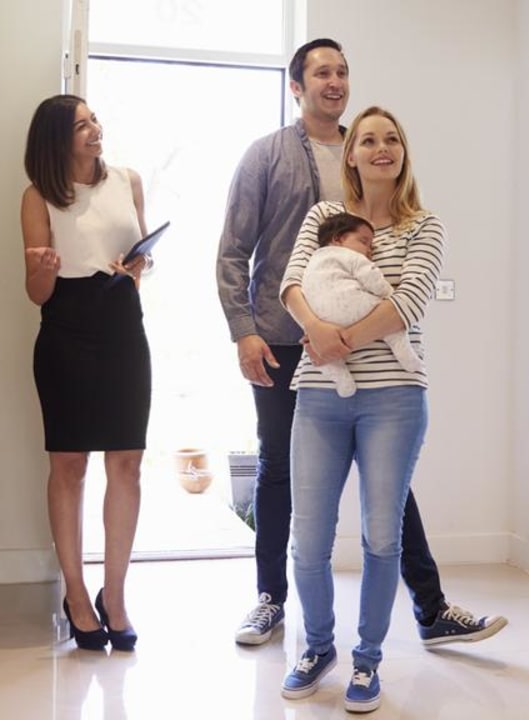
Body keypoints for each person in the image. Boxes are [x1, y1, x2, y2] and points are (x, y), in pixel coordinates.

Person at [217, 35, 506, 652]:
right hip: (284, 338)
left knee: (390, 490)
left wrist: (346, 335)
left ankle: (428, 609)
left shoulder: (366, 153)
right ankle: (271, 601)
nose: (335, 81)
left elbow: (406, 296)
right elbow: (237, 253)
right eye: (321, 72)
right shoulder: (267, 156)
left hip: (374, 358)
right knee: (278, 474)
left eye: (342, 72)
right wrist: (245, 329)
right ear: (296, 86)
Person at [21, 94, 151, 652]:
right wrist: (44, 269)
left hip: (123, 323)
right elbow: (35, 294)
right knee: (69, 464)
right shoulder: (37, 197)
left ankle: (114, 595)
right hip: (66, 328)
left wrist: (138, 265)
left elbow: (143, 259)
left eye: (95, 119)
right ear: (57, 140)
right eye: (81, 126)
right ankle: (76, 594)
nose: (95, 130)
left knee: (127, 462)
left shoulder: (128, 180)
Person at [301, 211, 422, 397]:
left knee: (324, 357)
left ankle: (341, 378)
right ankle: (404, 354)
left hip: (321, 318)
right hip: (352, 305)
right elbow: (371, 277)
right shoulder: (350, 256)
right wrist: (389, 294)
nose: (369, 250)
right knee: (389, 315)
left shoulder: (312, 261)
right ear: (338, 239)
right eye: (364, 242)